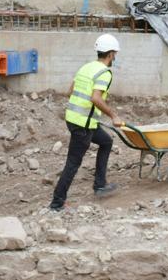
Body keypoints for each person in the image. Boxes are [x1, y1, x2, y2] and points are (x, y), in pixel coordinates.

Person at [49, 34, 124, 211]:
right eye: (115, 54)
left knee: (106, 141)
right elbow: (96, 98)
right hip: (83, 124)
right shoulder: (105, 73)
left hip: (74, 119)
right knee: (73, 163)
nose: (115, 57)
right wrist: (114, 116)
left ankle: (100, 184)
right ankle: (57, 203)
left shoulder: (87, 67)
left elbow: (70, 91)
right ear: (111, 54)